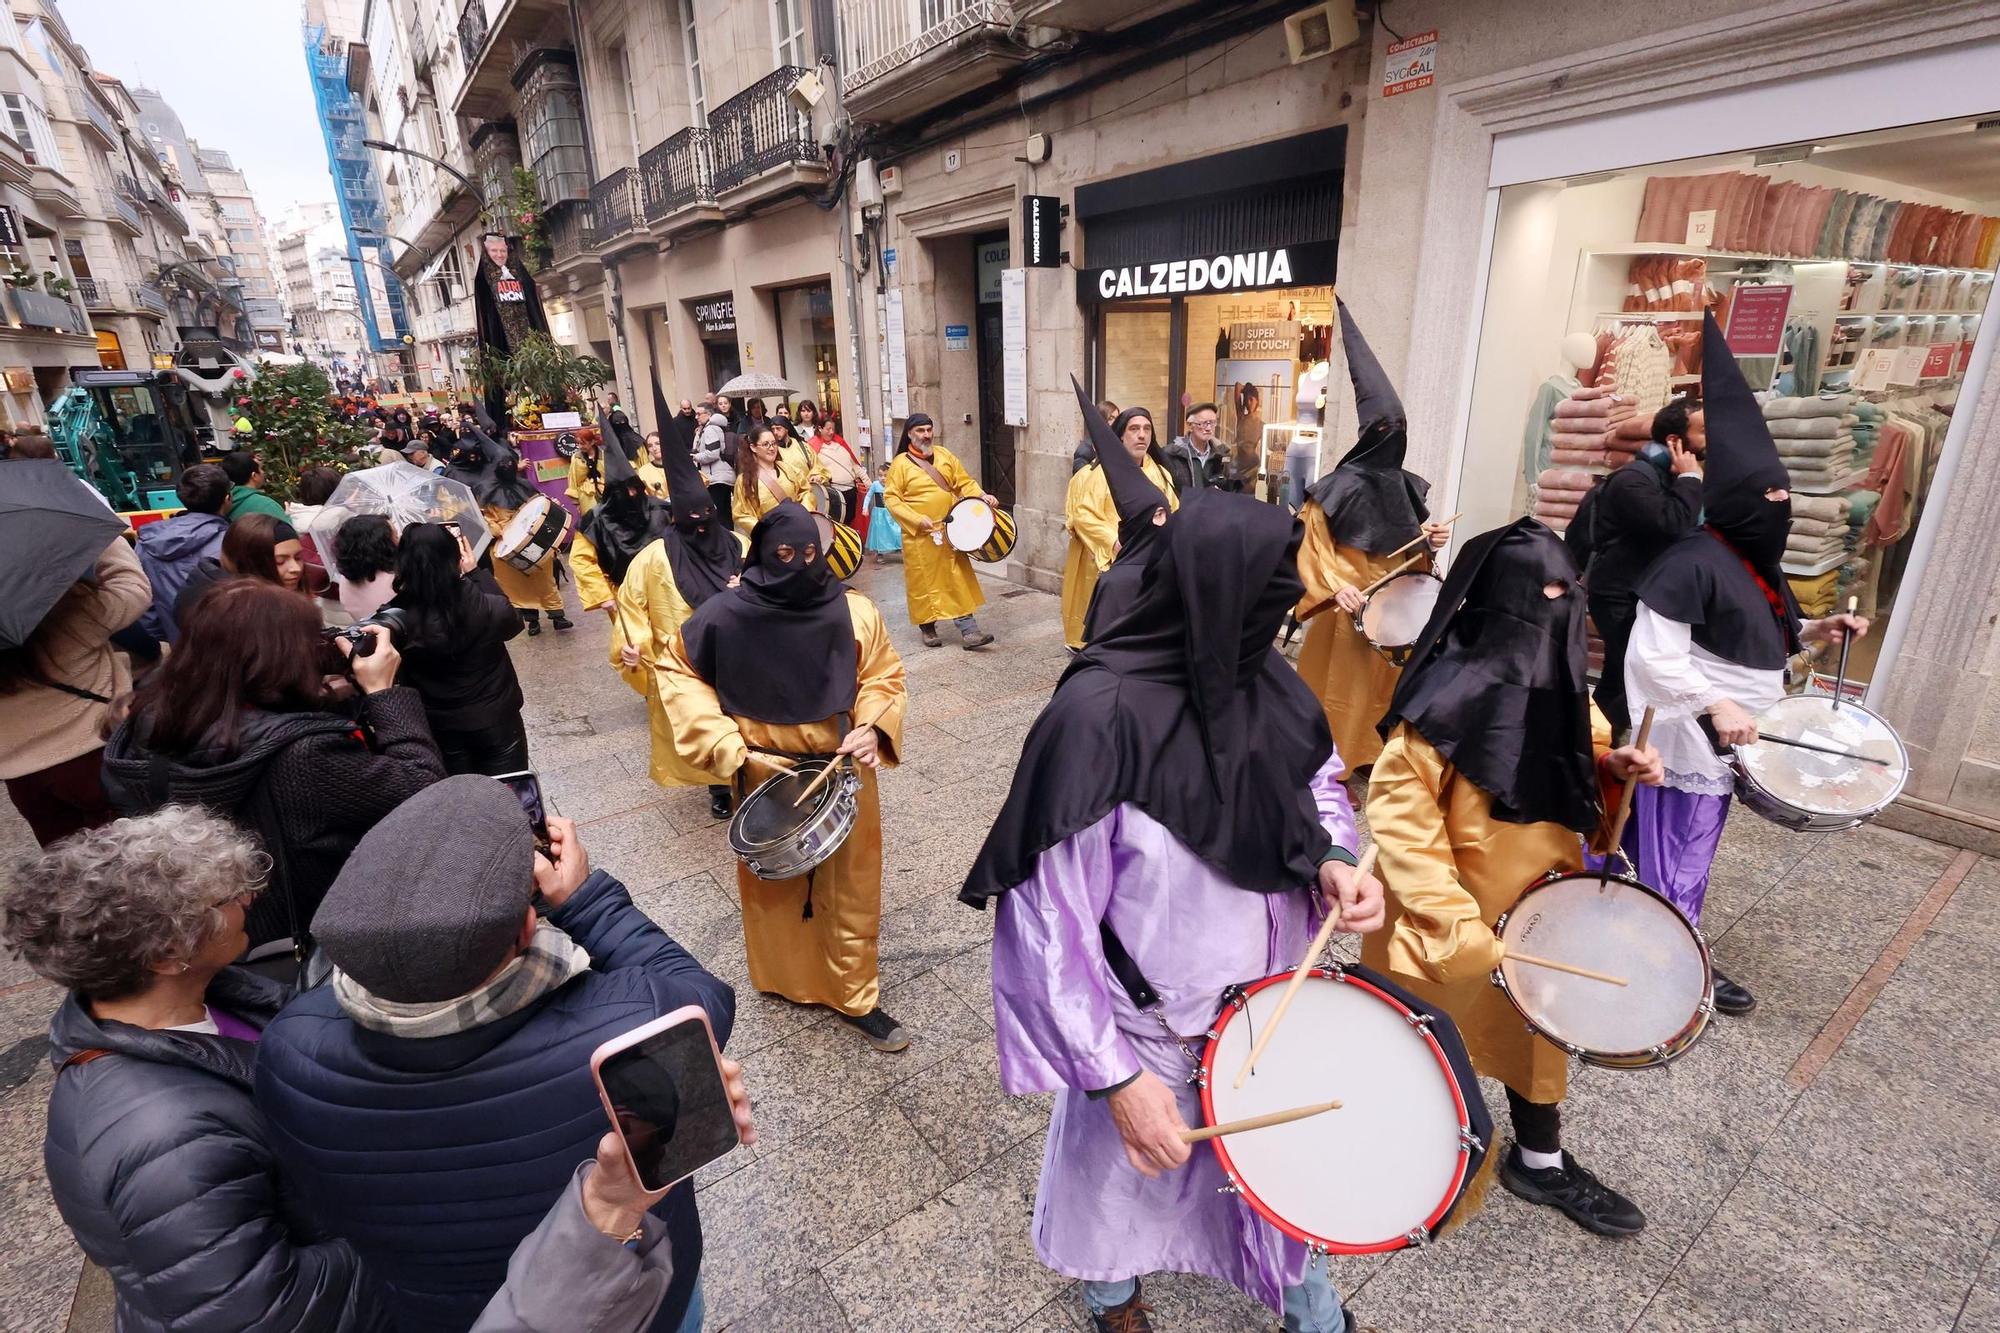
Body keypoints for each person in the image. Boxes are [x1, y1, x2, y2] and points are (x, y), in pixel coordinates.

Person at [961, 461, 1385, 1333]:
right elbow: (1049, 927)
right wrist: (1114, 1077)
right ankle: (1111, 1294)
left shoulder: (1270, 685)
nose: (1284, 619)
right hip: (1146, 1026)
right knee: (1121, 1191)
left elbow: (1319, 785)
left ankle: (1311, 1309)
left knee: (1277, 1182)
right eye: (1272, 596)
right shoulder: (1096, 719)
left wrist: (1335, 857)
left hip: (1270, 1009)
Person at [252, 777, 736, 1333]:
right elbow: (704, 997)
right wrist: (584, 900)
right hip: (634, 1296)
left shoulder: (288, 1052)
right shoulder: (626, 1022)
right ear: (528, 923)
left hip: (440, 1314)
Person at [1363, 516, 1663, 1237]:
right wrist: (1454, 921)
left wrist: (1613, 769)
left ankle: (1540, 1156)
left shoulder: (1562, 683)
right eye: (1547, 593)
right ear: (1505, 597)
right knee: (1421, 1037)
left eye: (1572, 593)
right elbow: (1403, 823)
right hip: (1454, 912)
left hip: (1535, 907)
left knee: (1536, 1035)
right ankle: (1390, 1147)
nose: (1562, 609)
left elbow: (1583, 751)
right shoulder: (1439, 702)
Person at [7, 807, 381, 1332]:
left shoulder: (203, 996)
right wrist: (415, 1225)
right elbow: (264, 1315)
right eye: (226, 898)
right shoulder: (167, 1142)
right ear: (167, 954)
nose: (248, 899)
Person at [1625, 312, 1870, 1018]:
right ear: (1734, 502)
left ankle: (1657, 942)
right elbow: (1654, 657)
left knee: (1678, 853)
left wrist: (1823, 626)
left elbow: (1769, 634)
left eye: (1784, 499)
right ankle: (1670, 962)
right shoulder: (1691, 559)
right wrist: (1713, 704)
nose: (1779, 510)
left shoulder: (1756, 561)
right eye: (1767, 499)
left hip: (1730, 736)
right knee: (1677, 852)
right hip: (1683, 738)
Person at [659, 501, 911, 1051]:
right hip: (763, 774)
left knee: (850, 889)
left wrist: (873, 725)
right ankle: (782, 977)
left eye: (808, 554)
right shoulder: (723, 616)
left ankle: (855, 995)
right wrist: (731, 749)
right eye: (784, 555)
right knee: (773, 889)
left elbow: (883, 675)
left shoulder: (856, 612)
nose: (797, 565)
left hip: (840, 769)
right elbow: (677, 673)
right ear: (761, 557)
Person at [101, 579, 444, 964]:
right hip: (319, 929)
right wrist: (383, 693)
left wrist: (323, 700)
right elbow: (423, 786)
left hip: (234, 928)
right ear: (278, 658)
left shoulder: (149, 720)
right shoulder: (305, 754)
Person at [1294, 301, 1451, 779]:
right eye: (1385, 430)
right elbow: (1312, 547)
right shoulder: (1334, 489)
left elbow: (1410, 549)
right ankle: (1328, 763)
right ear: (1368, 434)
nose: (1393, 437)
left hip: (1393, 614)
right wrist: (1337, 586)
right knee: (1341, 688)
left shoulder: (1404, 484)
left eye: (1399, 430)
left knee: (1384, 688)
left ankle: (1369, 757)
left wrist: (1431, 540)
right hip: (1348, 606)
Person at [616, 422, 746, 821]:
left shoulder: (739, 544)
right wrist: (632, 644)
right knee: (705, 720)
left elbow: (770, 583)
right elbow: (630, 605)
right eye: (693, 522)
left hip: (741, 652)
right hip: (688, 659)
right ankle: (717, 785)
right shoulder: (655, 557)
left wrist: (748, 586)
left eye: (707, 516)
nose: (702, 527)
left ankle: (750, 774)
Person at [1565, 400, 1705, 739]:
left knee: (1622, 673)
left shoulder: (1665, 476)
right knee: (1629, 674)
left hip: (1643, 593)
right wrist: (1689, 477)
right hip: (1617, 595)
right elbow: (1672, 524)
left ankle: (1592, 740)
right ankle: (1591, 741)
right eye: (1703, 431)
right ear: (1675, 440)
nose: (1711, 438)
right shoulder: (1633, 480)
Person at [0, 533, 149, 846]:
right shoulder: (64, 606)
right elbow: (133, 590)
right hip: (93, 754)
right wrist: (104, 537)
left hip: (22, 776)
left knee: (71, 871)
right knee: (133, 858)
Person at [388, 522, 536, 774]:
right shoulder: (486, 605)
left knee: (463, 803)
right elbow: (512, 624)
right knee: (509, 798)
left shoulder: (395, 620)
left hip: (440, 726)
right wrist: (476, 573)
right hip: (496, 719)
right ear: (455, 558)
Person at [1061, 404, 1178, 651]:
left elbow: (1175, 511)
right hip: (1110, 556)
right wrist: (1114, 542)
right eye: (1134, 428)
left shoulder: (1160, 473)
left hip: (1151, 560)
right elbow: (1083, 515)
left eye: (1147, 429)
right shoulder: (1099, 474)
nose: (1142, 435)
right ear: (1121, 435)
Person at [883, 413, 998, 649]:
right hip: (920, 536)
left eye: (928, 429)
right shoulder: (900, 465)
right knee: (924, 583)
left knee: (956, 578)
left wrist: (981, 496)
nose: (926, 435)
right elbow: (892, 499)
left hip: (949, 530)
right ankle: (927, 627)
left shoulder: (945, 455)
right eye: (920, 431)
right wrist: (916, 519)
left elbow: (964, 482)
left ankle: (969, 630)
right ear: (909, 434)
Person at [572, 407, 672, 636]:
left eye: (634, 489)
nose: (631, 496)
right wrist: (603, 596)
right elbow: (581, 560)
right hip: (622, 593)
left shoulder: (659, 509)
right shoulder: (595, 521)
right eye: (623, 491)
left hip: (664, 587)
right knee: (638, 645)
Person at [132, 462, 230, 646]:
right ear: (227, 499)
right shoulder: (231, 543)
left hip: (178, 646)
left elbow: (145, 605)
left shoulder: (147, 543)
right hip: (226, 647)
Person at [481, 443, 574, 635]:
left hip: (535, 541)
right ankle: (532, 620)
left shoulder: (524, 484)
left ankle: (557, 616)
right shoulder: (485, 491)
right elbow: (486, 520)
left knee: (544, 580)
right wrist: (502, 530)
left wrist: (549, 506)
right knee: (518, 585)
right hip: (507, 546)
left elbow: (538, 504)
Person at [732, 424, 818, 534]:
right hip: (770, 537)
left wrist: (804, 513)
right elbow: (741, 515)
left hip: (798, 528)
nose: (772, 448)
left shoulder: (788, 469)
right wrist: (765, 531)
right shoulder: (745, 480)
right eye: (766, 444)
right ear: (753, 447)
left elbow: (806, 491)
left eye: (774, 443)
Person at [332, 513, 399, 622]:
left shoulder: (345, 580)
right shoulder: (396, 580)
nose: (399, 539)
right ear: (382, 545)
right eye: (395, 537)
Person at [1157, 401, 1231, 494]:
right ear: (1190, 425)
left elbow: (1229, 488)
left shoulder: (1222, 454)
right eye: (1203, 423)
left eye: (1212, 423)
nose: (1209, 428)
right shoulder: (1172, 454)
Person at [814, 418, 866, 524]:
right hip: (834, 493)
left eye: (833, 429)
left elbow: (854, 466)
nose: (831, 432)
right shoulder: (813, 447)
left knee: (851, 520)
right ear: (820, 428)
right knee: (837, 523)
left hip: (851, 490)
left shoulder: (840, 444)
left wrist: (867, 482)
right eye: (828, 429)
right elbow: (814, 470)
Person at [692, 400, 735, 526]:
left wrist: (695, 457)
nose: (696, 417)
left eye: (699, 414)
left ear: (708, 414)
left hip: (717, 478)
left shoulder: (710, 429)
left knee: (720, 515)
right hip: (719, 477)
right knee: (724, 513)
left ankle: (726, 541)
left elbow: (713, 453)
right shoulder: (705, 429)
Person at [220, 451, 289, 522]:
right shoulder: (266, 506)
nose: (263, 472)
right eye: (261, 469)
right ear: (254, 476)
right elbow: (286, 531)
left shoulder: (218, 503)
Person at [860, 460, 901, 567]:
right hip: (879, 514)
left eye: (885, 475)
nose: (882, 478)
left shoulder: (893, 485)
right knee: (880, 533)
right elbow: (868, 496)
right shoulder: (875, 485)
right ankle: (880, 553)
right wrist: (865, 508)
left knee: (896, 530)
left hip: (891, 512)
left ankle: (899, 547)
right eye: (880, 475)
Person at [1070, 398, 1117, 472]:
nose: (1116, 422)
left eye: (1117, 418)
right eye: (1111, 418)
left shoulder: (1115, 445)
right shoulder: (1085, 450)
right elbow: (1081, 478)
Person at [568, 427, 607, 515]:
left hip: (606, 492)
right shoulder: (576, 458)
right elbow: (573, 479)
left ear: (592, 442)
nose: (580, 447)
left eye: (583, 444)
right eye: (578, 444)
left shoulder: (604, 455)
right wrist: (576, 502)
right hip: (586, 494)